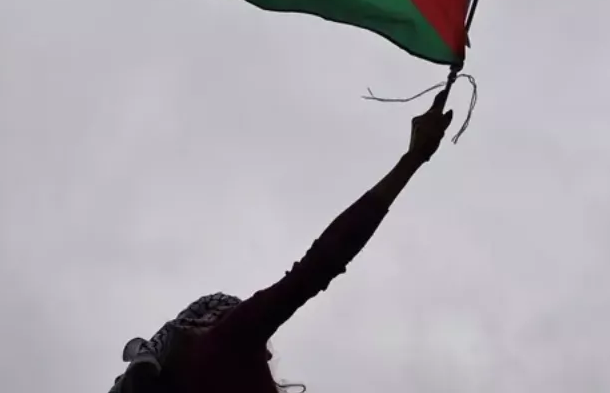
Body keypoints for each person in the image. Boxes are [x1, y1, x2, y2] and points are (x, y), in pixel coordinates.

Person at [109, 92, 456, 393]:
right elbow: (318, 265)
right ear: (211, 321)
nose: (271, 354)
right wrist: (411, 161)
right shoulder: (230, 341)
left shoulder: (184, 369)